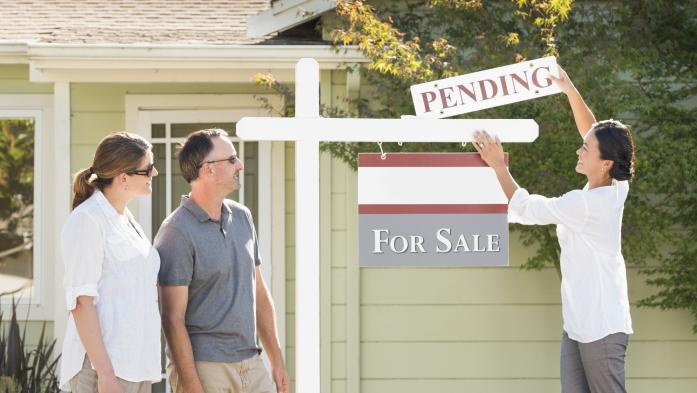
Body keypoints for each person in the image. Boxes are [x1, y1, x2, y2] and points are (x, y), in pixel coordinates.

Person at [473, 66, 635, 393]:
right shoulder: (616, 184)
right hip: (577, 324)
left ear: (604, 163)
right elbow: (593, 131)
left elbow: (526, 208)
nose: (579, 149)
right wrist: (570, 91)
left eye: (585, 150)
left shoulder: (585, 204)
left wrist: (498, 165)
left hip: (601, 328)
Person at [156, 129, 289, 393]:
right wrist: (193, 386)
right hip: (205, 366)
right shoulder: (176, 231)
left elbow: (259, 293)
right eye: (232, 159)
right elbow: (172, 319)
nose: (239, 165)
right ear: (208, 170)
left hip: (251, 363)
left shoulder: (242, 217)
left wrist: (276, 359)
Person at [60, 132, 161, 393]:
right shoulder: (88, 220)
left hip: (135, 366)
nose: (155, 173)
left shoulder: (125, 219)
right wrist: (106, 375)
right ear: (123, 177)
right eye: (148, 169)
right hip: (103, 372)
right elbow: (81, 302)